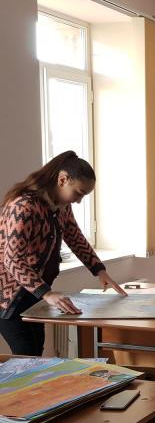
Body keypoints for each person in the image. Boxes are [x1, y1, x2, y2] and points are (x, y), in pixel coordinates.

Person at [0, 151, 126, 356]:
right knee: (26, 356)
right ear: (62, 180)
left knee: (35, 353)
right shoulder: (23, 207)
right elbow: (12, 259)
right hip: (9, 298)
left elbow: (75, 237)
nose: (79, 201)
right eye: (79, 193)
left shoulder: (61, 207)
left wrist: (99, 270)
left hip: (33, 293)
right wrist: (47, 293)